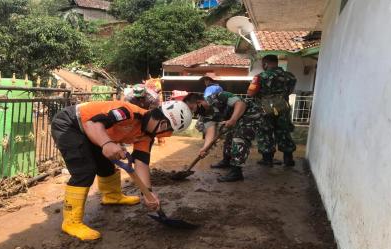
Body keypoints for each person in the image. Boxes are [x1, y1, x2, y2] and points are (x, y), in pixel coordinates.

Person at [51, 100, 192, 240]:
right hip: (71, 124)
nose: (163, 136)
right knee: (84, 170)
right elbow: (92, 123)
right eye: (168, 132)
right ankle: (71, 222)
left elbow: (141, 163)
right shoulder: (127, 112)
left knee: (105, 165)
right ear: (164, 124)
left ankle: (112, 197)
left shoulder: (146, 136)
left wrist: (147, 193)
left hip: (91, 132)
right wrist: (107, 143)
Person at [183, 92, 261, 182]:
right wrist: (205, 148)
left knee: (239, 138)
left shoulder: (219, 96)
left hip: (250, 113)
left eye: (192, 108)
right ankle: (226, 161)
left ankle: (236, 172)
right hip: (235, 119)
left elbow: (241, 104)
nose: (194, 112)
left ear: (199, 102)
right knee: (229, 137)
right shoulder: (205, 114)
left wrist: (233, 119)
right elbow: (210, 132)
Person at [247, 54, 297, 167]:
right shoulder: (290, 76)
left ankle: (267, 160)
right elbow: (289, 91)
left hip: (265, 109)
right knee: (284, 131)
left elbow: (250, 93)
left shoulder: (260, 77)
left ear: (265, 64)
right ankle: (288, 159)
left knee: (265, 132)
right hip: (283, 107)